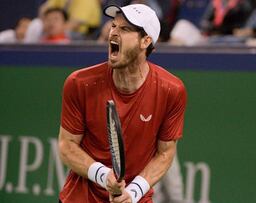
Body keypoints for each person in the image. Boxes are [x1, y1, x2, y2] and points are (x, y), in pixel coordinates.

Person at [58, 3, 187, 203]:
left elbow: (165, 153)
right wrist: (103, 175)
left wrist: (134, 192)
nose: (113, 33)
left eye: (125, 29)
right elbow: (67, 145)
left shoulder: (171, 90)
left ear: (146, 41)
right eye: (113, 26)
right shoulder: (79, 83)